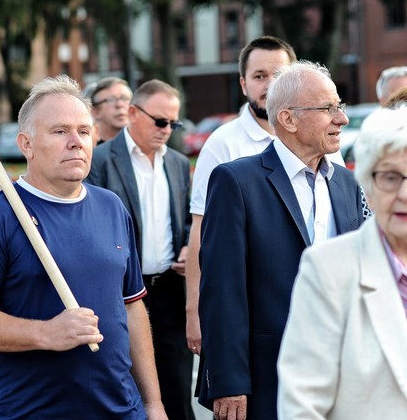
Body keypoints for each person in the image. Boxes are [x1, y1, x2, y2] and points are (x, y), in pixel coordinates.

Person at [0, 76, 167, 419]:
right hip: (30, 411)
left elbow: (132, 308)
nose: (75, 142)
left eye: (83, 131)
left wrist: (153, 403)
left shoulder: (112, 207)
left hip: (121, 409)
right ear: (27, 144)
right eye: (59, 131)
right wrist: (45, 332)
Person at [198, 61, 366, 420]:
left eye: (340, 106)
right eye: (328, 109)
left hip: (343, 372)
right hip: (267, 377)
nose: (342, 119)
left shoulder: (346, 184)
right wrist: (228, 381)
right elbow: (222, 291)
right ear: (288, 119)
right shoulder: (236, 182)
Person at [277, 106, 407, 419]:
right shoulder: (328, 269)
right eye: (390, 177)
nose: (404, 193)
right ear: (368, 187)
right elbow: (301, 404)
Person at [87, 79, 194, 420]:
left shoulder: (177, 163)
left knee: (177, 390)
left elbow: (187, 217)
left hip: (169, 290)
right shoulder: (100, 159)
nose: (167, 129)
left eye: (173, 123)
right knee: (126, 386)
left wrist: (190, 245)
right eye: (160, 121)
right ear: (133, 113)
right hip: (121, 293)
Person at [185, 35, 296, 356]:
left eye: (279, 75)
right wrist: (195, 311)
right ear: (244, 84)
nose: (270, 85)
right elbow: (200, 232)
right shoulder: (223, 144)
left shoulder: (318, 138)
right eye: (260, 76)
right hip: (250, 311)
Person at [87, 76, 133, 143]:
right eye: (110, 100)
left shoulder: (146, 146)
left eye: (124, 98)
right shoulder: (88, 149)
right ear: (95, 112)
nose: (119, 104)